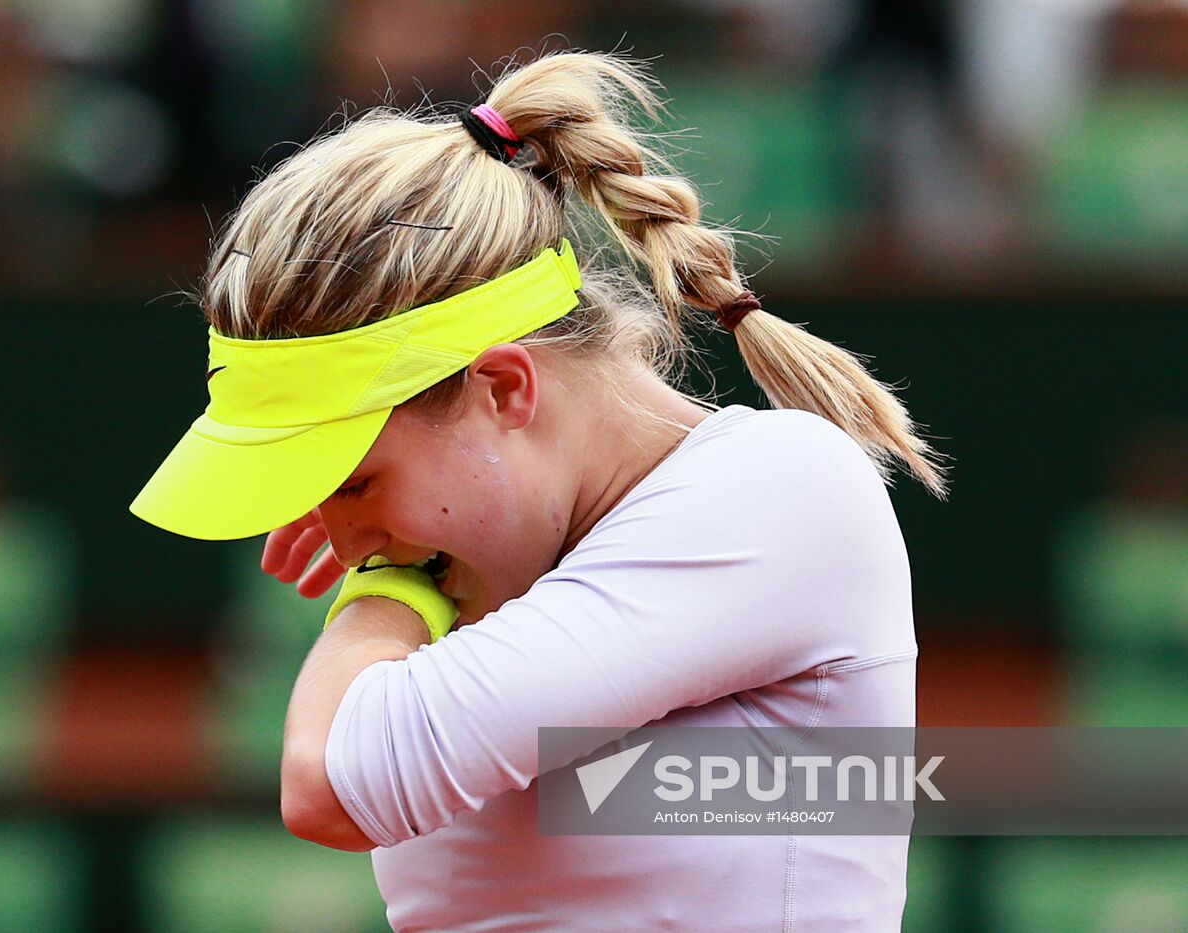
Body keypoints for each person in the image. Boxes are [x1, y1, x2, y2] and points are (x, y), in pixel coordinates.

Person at [131, 50, 949, 932]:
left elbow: (331, 779)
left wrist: (380, 593)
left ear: (504, 391)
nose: (342, 536)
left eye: (358, 480)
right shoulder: (482, 580)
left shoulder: (783, 488)